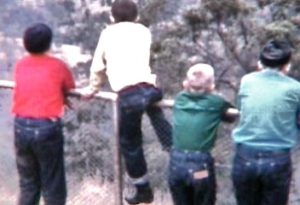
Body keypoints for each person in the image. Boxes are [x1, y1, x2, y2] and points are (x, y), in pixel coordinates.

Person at [82, 0, 172, 204]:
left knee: (131, 143)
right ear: (136, 16)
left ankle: (143, 189)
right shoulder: (143, 31)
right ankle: (172, 146)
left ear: (112, 18)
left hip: (128, 94)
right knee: (157, 116)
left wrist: (94, 87)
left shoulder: (107, 34)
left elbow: (98, 66)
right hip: (150, 89)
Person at [12, 23, 75, 205]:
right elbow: (69, 86)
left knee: (28, 184)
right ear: (49, 44)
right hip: (47, 129)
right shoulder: (58, 66)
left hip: (21, 126)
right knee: (53, 185)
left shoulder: (21, 65)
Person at [231, 39, 300, 205]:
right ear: (287, 65)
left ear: (260, 63)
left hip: (245, 154)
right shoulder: (295, 88)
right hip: (278, 157)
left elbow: (240, 106)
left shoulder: (247, 81)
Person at [168, 63, 238, 205]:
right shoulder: (216, 102)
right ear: (211, 86)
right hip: (200, 169)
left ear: (185, 84)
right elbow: (231, 117)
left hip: (176, 166)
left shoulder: (180, 99)